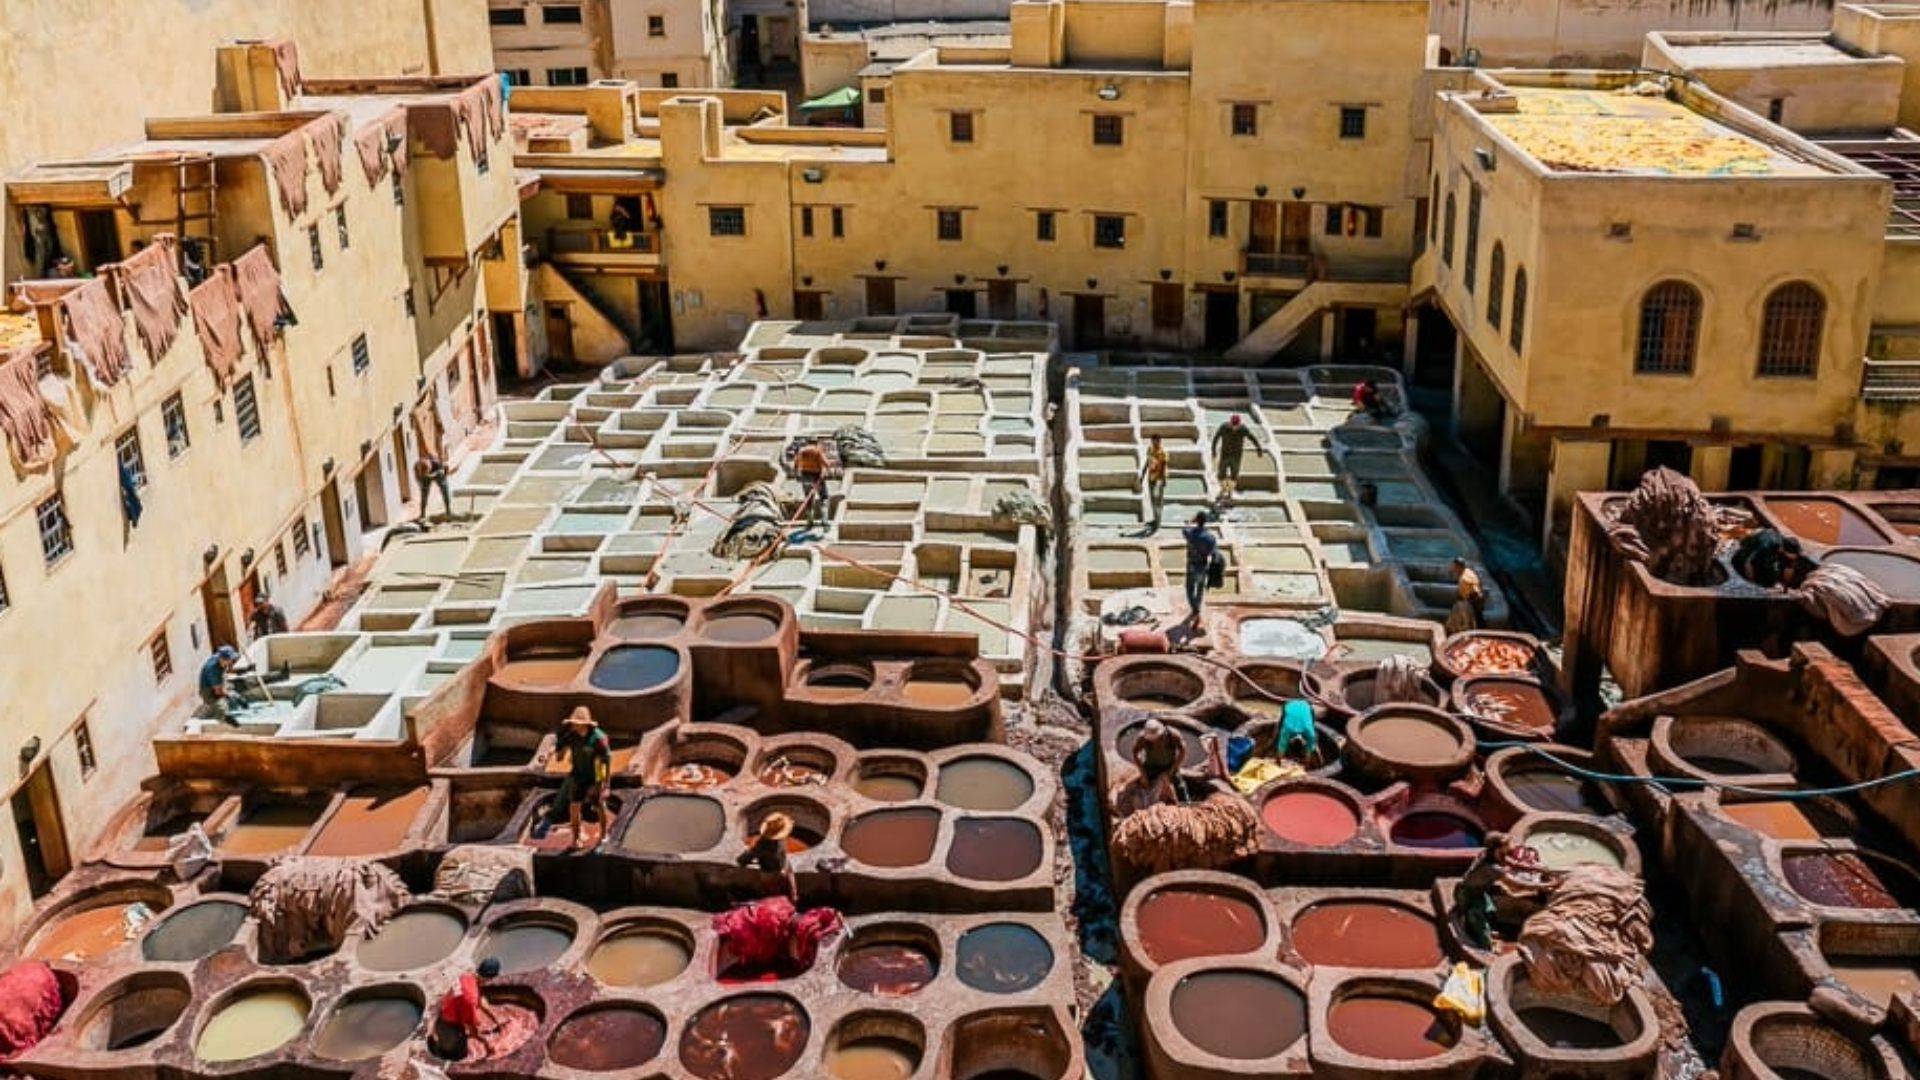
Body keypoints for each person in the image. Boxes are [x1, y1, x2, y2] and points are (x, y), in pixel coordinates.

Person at [552, 707, 612, 852]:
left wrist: (604, 785)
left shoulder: (598, 738)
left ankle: (604, 834)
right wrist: (558, 749)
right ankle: (576, 839)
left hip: (595, 776)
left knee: (599, 805)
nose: (573, 725)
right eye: (573, 722)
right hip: (578, 775)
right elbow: (559, 755)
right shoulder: (572, 735)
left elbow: (605, 762)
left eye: (576, 723)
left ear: (584, 724)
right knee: (574, 807)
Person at [429, 957, 504, 1060]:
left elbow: (481, 1002)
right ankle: (438, 1049)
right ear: (490, 978)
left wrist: (497, 1021)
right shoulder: (470, 998)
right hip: (448, 1024)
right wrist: (487, 1045)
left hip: (446, 1011)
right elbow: (473, 1032)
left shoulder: (466, 976)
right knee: (459, 1054)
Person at [736, 812, 799, 899]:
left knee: (775, 894)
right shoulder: (779, 840)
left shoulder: (763, 845)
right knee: (786, 892)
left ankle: (786, 899)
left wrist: (743, 859)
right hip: (781, 868)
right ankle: (792, 898)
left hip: (771, 872)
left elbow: (744, 859)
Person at [1129, 717, 1186, 806]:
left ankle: (1186, 805)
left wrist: (1173, 769)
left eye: (1157, 738)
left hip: (1169, 766)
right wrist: (1143, 773)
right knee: (1143, 789)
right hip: (1151, 767)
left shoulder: (1172, 735)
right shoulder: (1142, 738)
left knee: (1180, 787)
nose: (1155, 740)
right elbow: (1135, 752)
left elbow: (1183, 750)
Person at [1209, 414, 1266, 501]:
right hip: (1225, 455)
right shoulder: (1224, 427)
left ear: (1239, 424)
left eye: (1236, 426)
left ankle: (1230, 492)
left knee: (1234, 476)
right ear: (1230, 423)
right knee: (1221, 475)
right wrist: (1213, 451)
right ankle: (1223, 489)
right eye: (1233, 425)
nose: (1234, 428)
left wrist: (1259, 450)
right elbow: (1216, 438)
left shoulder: (1243, 429)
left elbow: (1252, 438)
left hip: (1236, 457)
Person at [1182, 511, 1219, 625]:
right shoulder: (1211, 538)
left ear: (1196, 520)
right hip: (1203, 565)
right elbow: (1214, 553)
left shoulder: (1190, 533)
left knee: (1189, 588)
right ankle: (1197, 607)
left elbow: (1184, 529)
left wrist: (1190, 521)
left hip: (1192, 565)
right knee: (1200, 588)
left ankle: (1195, 609)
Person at [792, 438, 833, 528]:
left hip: (805, 477)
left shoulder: (802, 451)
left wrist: (796, 475)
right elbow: (826, 463)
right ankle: (825, 521)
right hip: (816, 476)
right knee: (824, 498)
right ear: (816, 443)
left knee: (809, 499)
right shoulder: (817, 450)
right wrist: (829, 470)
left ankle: (809, 521)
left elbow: (795, 464)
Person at [198, 646, 244, 723]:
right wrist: (232, 696)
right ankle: (223, 718)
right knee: (222, 710)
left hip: (217, 684)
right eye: (230, 659)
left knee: (231, 688)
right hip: (208, 691)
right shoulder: (213, 670)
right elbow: (218, 692)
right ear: (223, 659)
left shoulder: (219, 658)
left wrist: (245, 670)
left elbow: (227, 671)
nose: (232, 661)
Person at [1446, 556, 1486, 634]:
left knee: (1471, 619)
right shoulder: (1468, 571)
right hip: (1478, 598)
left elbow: (1470, 594)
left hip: (1473, 600)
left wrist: (1466, 603)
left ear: (1458, 567)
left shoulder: (1463, 579)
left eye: (1454, 566)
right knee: (1479, 619)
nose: (1453, 567)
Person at [1139, 434, 1169, 529]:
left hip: (1158, 480)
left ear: (1159, 441)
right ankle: (1155, 520)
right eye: (1153, 441)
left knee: (1158, 501)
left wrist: (1164, 480)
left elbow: (1164, 467)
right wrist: (1143, 475)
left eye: (1156, 441)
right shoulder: (1150, 450)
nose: (1154, 443)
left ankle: (1158, 522)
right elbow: (1147, 462)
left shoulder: (1162, 453)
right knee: (1153, 500)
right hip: (1151, 478)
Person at [414, 452, 452, 520]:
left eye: (427, 471)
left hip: (437, 473)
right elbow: (418, 478)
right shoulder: (417, 466)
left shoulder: (437, 463)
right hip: (425, 477)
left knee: (444, 489)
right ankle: (422, 514)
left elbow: (446, 467)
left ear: (430, 467)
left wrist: (444, 476)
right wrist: (421, 483)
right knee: (424, 494)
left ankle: (448, 510)